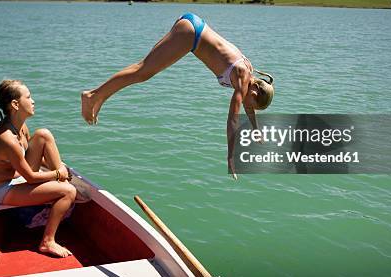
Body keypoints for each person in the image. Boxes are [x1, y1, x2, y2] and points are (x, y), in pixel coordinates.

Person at [81, 12, 274, 179]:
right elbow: (233, 119)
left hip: (193, 29)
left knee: (143, 70)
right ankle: (92, 96)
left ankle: (99, 97)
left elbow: (248, 107)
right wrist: (231, 156)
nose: (248, 107)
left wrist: (256, 131)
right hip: (192, 35)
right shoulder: (242, 76)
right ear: (255, 91)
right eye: (253, 104)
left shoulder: (250, 81)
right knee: (143, 71)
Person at [0, 79, 76, 257]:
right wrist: (57, 173)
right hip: (4, 190)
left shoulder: (20, 127)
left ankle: (62, 185)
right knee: (69, 192)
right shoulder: (6, 138)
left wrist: (58, 169)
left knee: (43, 134)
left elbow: (27, 159)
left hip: (17, 177)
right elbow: (31, 178)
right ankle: (47, 242)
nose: (33, 101)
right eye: (29, 97)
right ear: (15, 104)